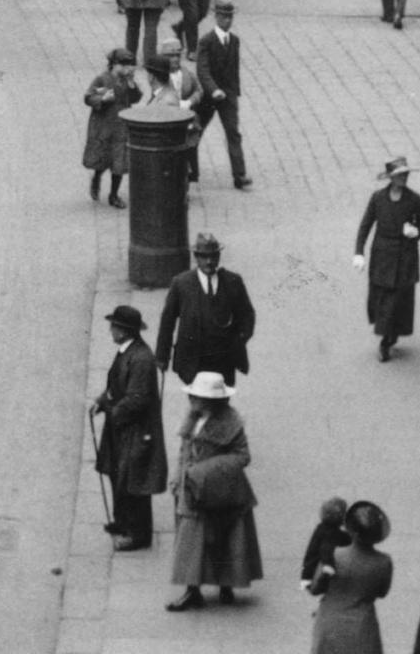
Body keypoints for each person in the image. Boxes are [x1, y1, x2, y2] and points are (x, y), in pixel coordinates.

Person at [167, 373, 262, 611]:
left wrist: (207, 471)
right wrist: (177, 476)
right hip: (192, 489)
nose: (191, 399)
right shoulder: (192, 417)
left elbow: (242, 456)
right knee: (191, 540)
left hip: (220, 491)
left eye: (197, 396)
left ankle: (225, 584)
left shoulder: (231, 422)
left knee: (226, 537)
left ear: (212, 400)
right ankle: (192, 589)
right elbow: (185, 449)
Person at [90, 304, 165, 550]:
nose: (110, 330)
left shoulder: (141, 358)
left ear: (123, 331)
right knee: (118, 477)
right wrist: (102, 401)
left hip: (136, 431)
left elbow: (137, 399)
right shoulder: (127, 352)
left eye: (114, 326)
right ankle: (123, 523)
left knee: (134, 482)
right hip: (121, 431)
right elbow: (115, 385)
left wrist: (112, 410)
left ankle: (137, 535)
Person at [353, 157, 420, 361]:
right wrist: (359, 252)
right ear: (391, 178)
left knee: (399, 298)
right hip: (382, 254)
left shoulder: (414, 199)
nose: (404, 178)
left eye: (406, 175)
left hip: (405, 255)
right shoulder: (378, 198)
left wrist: (416, 232)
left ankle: (389, 337)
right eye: (400, 176)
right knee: (382, 296)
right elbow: (366, 225)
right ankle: (387, 335)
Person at [157, 232, 257, 383]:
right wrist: (162, 356)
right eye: (204, 257)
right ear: (196, 257)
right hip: (192, 361)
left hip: (223, 361)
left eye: (213, 256)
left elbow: (247, 315)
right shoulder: (181, 284)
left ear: (219, 257)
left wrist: (239, 340)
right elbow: (167, 321)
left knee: (221, 400)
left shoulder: (233, 282)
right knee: (198, 403)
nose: (209, 261)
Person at [308, 499, 397, 654]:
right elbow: (382, 592)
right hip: (363, 628)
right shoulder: (384, 562)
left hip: (329, 624)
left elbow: (315, 588)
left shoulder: (333, 554)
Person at [188, 0, 250, 188]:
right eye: (223, 17)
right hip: (209, 96)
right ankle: (191, 170)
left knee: (233, 132)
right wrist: (213, 90)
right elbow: (202, 70)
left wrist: (233, 92)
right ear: (216, 17)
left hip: (228, 95)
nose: (227, 21)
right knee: (196, 131)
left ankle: (239, 175)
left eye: (230, 17)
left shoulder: (235, 41)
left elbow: (234, 69)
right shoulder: (206, 41)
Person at [81, 48, 139, 207]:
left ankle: (113, 195)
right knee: (103, 158)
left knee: (119, 162)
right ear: (114, 65)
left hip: (122, 126)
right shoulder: (102, 79)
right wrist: (102, 99)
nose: (129, 68)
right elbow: (88, 97)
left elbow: (136, 98)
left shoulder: (127, 80)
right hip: (104, 125)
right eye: (124, 65)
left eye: (130, 65)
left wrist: (132, 84)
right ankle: (97, 177)